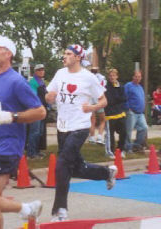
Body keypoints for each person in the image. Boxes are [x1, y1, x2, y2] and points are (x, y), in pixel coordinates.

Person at [0, 36, 46, 229]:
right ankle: (26, 209)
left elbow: (40, 112)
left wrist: (13, 117)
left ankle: (25, 209)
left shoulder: (17, 81)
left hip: (8, 146)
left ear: (8, 54)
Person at [46, 44, 116, 222]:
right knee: (76, 168)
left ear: (78, 57)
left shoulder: (88, 77)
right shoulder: (60, 73)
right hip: (62, 127)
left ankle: (60, 210)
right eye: (64, 53)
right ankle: (107, 173)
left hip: (80, 127)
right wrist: (49, 97)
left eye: (68, 54)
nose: (65, 56)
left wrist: (92, 107)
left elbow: (104, 100)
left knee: (61, 165)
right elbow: (49, 95)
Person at [103, 68, 127, 159]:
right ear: (108, 77)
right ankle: (110, 151)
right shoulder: (106, 87)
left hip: (120, 112)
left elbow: (124, 98)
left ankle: (121, 150)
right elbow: (109, 100)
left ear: (117, 76)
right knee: (110, 135)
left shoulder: (121, 86)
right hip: (110, 114)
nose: (112, 77)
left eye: (114, 75)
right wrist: (118, 98)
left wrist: (117, 99)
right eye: (110, 75)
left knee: (124, 132)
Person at [26, 63, 48, 159]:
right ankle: (31, 153)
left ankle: (37, 151)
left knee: (40, 132)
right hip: (35, 110)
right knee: (34, 132)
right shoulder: (33, 82)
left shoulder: (41, 82)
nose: (42, 71)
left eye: (43, 69)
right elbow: (33, 97)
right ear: (35, 72)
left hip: (42, 110)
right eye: (39, 70)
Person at [124, 70, 148, 153]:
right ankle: (127, 147)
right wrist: (128, 108)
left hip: (140, 113)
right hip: (132, 112)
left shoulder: (140, 87)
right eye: (136, 76)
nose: (138, 78)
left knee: (144, 128)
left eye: (139, 77)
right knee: (128, 131)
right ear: (133, 77)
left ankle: (136, 145)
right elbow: (124, 97)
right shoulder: (128, 86)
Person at [88, 66, 107, 144]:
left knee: (92, 120)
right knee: (102, 120)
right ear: (98, 70)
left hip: (90, 101)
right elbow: (103, 88)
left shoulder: (87, 77)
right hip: (99, 100)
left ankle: (92, 137)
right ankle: (99, 137)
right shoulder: (102, 78)